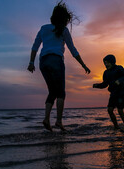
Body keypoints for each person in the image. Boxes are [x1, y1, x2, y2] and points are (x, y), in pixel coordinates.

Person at [27, 1, 90, 132]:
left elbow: (35, 47)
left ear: (53, 16)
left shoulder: (43, 28)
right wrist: (84, 65)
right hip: (56, 60)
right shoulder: (64, 30)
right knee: (61, 93)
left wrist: (31, 62)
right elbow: (73, 50)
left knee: (52, 92)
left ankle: (46, 119)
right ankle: (59, 121)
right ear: (64, 18)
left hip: (43, 62)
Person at [93, 54, 124, 130]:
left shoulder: (119, 68)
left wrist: (119, 81)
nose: (106, 65)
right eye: (105, 63)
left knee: (120, 110)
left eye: (107, 63)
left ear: (112, 62)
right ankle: (116, 126)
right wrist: (97, 85)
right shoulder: (105, 73)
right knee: (110, 110)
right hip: (113, 94)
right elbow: (105, 84)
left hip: (121, 93)